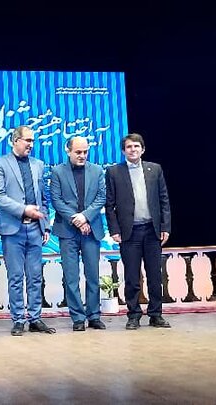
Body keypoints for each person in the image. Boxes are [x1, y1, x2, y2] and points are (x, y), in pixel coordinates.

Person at [0, 125, 55, 336]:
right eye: (27, 140)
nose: (31, 144)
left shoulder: (38, 164)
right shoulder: (0, 164)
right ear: (15, 141)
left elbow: (43, 198)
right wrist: (24, 209)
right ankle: (18, 319)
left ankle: (35, 318)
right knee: (16, 277)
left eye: (33, 141)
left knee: (35, 277)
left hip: (36, 229)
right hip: (13, 230)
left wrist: (45, 225)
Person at [104, 133, 172, 330]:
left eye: (136, 146)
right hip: (129, 232)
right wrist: (114, 230)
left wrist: (165, 227)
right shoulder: (114, 172)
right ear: (123, 151)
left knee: (155, 276)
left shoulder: (155, 169)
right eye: (129, 147)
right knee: (132, 277)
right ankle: (133, 315)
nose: (132, 149)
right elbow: (109, 205)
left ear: (142, 149)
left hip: (152, 230)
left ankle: (156, 314)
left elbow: (164, 200)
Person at [50, 136, 107, 331]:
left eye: (85, 152)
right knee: (71, 277)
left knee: (93, 275)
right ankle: (77, 318)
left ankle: (94, 315)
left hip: (91, 230)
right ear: (68, 151)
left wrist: (85, 217)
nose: (82, 155)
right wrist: (76, 219)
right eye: (78, 152)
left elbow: (101, 197)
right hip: (68, 231)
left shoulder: (97, 170)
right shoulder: (57, 171)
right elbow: (56, 200)